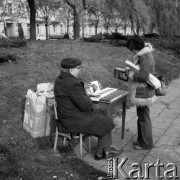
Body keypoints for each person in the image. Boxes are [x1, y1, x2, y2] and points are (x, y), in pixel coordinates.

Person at [54, 58, 123, 160]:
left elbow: (74, 97)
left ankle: (106, 149)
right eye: (77, 68)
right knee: (105, 120)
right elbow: (85, 105)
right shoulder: (71, 83)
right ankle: (101, 153)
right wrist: (88, 96)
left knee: (103, 117)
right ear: (71, 70)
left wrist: (83, 92)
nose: (79, 70)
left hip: (66, 115)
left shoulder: (60, 79)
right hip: (73, 119)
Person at [126, 36, 157, 150]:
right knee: (141, 117)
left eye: (132, 49)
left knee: (144, 118)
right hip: (142, 91)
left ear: (137, 47)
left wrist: (131, 75)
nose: (132, 51)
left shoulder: (145, 56)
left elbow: (144, 76)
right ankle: (141, 140)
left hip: (144, 91)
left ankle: (146, 143)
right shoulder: (144, 55)